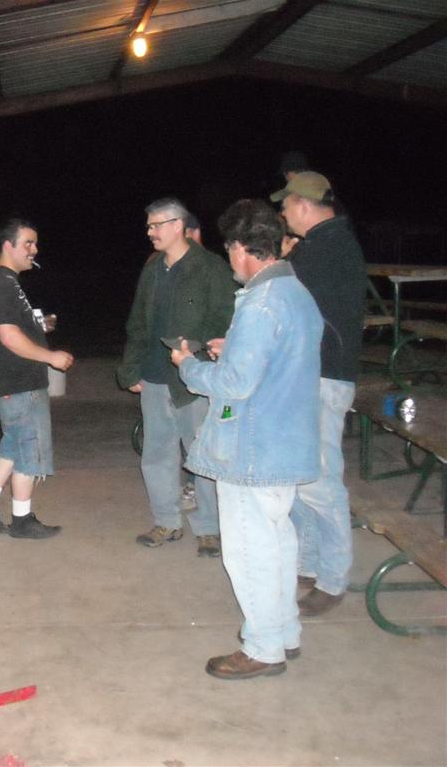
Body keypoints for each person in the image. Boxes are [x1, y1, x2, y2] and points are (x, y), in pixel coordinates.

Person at [171, 199, 323, 680]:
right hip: (286, 441)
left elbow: (235, 385)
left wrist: (189, 367)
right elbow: (273, 359)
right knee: (277, 543)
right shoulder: (296, 292)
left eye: (230, 249)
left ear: (241, 250)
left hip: (254, 449)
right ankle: (283, 632)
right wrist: (231, 347)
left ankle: (262, 648)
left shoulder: (260, 302)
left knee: (249, 551)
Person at [271, 171, 368, 617]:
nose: (283, 213)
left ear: (305, 206)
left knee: (322, 481)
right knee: (302, 476)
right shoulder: (324, 244)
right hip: (313, 375)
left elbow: (279, 294)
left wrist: (282, 262)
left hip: (324, 377)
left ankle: (332, 577)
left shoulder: (328, 247)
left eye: (287, 206)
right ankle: (310, 565)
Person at [117, 198, 235, 556]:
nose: (150, 232)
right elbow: (138, 322)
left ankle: (210, 529)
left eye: (156, 225)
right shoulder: (153, 269)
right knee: (156, 453)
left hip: (193, 379)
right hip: (154, 376)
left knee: (201, 455)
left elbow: (224, 319)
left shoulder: (210, 267)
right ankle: (167, 521)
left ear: (178, 225)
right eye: (149, 225)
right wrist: (130, 369)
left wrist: (199, 355)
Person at [0, 218, 73, 539]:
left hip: (13, 384)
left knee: (14, 444)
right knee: (31, 449)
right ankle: (22, 520)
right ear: (8, 246)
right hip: (18, 384)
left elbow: (14, 328)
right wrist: (51, 356)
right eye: (28, 243)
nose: (34, 250)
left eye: (35, 243)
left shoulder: (6, 282)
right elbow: (9, 337)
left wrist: (38, 327)